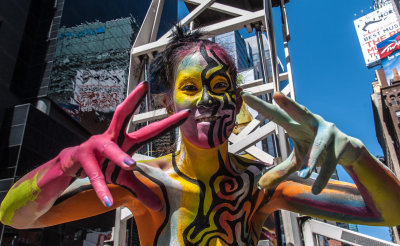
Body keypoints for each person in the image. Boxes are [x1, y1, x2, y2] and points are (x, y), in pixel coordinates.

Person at [1, 28, 400, 246]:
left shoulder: (262, 185)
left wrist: (357, 155)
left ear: (238, 100)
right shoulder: (139, 180)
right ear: (169, 103)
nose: (209, 99)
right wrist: (66, 163)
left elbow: (391, 212)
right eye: (191, 88)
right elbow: (14, 217)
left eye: (221, 85)